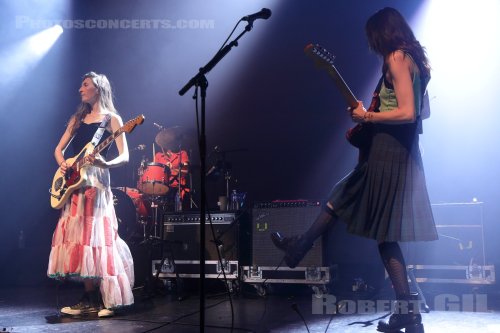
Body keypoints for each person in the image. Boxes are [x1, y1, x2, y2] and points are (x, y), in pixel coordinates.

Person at [271, 7, 436, 333]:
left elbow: (408, 112)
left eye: (373, 38)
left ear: (382, 33)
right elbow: (424, 113)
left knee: (344, 197)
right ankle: (408, 312)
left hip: (390, 152)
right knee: (379, 231)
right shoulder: (417, 61)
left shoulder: (397, 58)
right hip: (401, 153)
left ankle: (299, 247)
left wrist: (368, 118)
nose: (372, 45)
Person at [48, 71, 135, 317]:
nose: (80, 89)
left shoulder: (112, 119)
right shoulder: (78, 118)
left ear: (98, 88)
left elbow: (125, 155)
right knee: (83, 239)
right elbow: (57, 149)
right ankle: (89, 298)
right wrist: (63, 163)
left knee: (99, 237)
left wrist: (106, 164)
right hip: (75, 183)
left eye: (85, 85)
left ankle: (108, 299)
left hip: (96, 183)